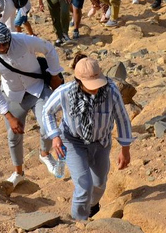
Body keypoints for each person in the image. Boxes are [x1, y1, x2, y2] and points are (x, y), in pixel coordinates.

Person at [42, 57, 133, 221]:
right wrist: (55, 137)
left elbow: (122, 118)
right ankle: (78, 222)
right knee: (83, 185)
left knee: (99, 183)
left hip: (101, 142)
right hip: (73, 141)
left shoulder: (111, 90)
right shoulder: (65, 92)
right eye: (91, 86)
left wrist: (125, 149)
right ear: (78, 81)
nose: (96, 89)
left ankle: (91, 206)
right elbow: (47, 112)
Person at [0, 21, 64, 186]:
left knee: (47, 126)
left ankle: (44, 154)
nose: (3, 48)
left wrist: (55, 75)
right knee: (13, 136)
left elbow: (49, 48)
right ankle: (18, 172)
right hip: (14, 96)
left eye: (5, 43)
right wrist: (8, 115)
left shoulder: (23, 40)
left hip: (37, 88)